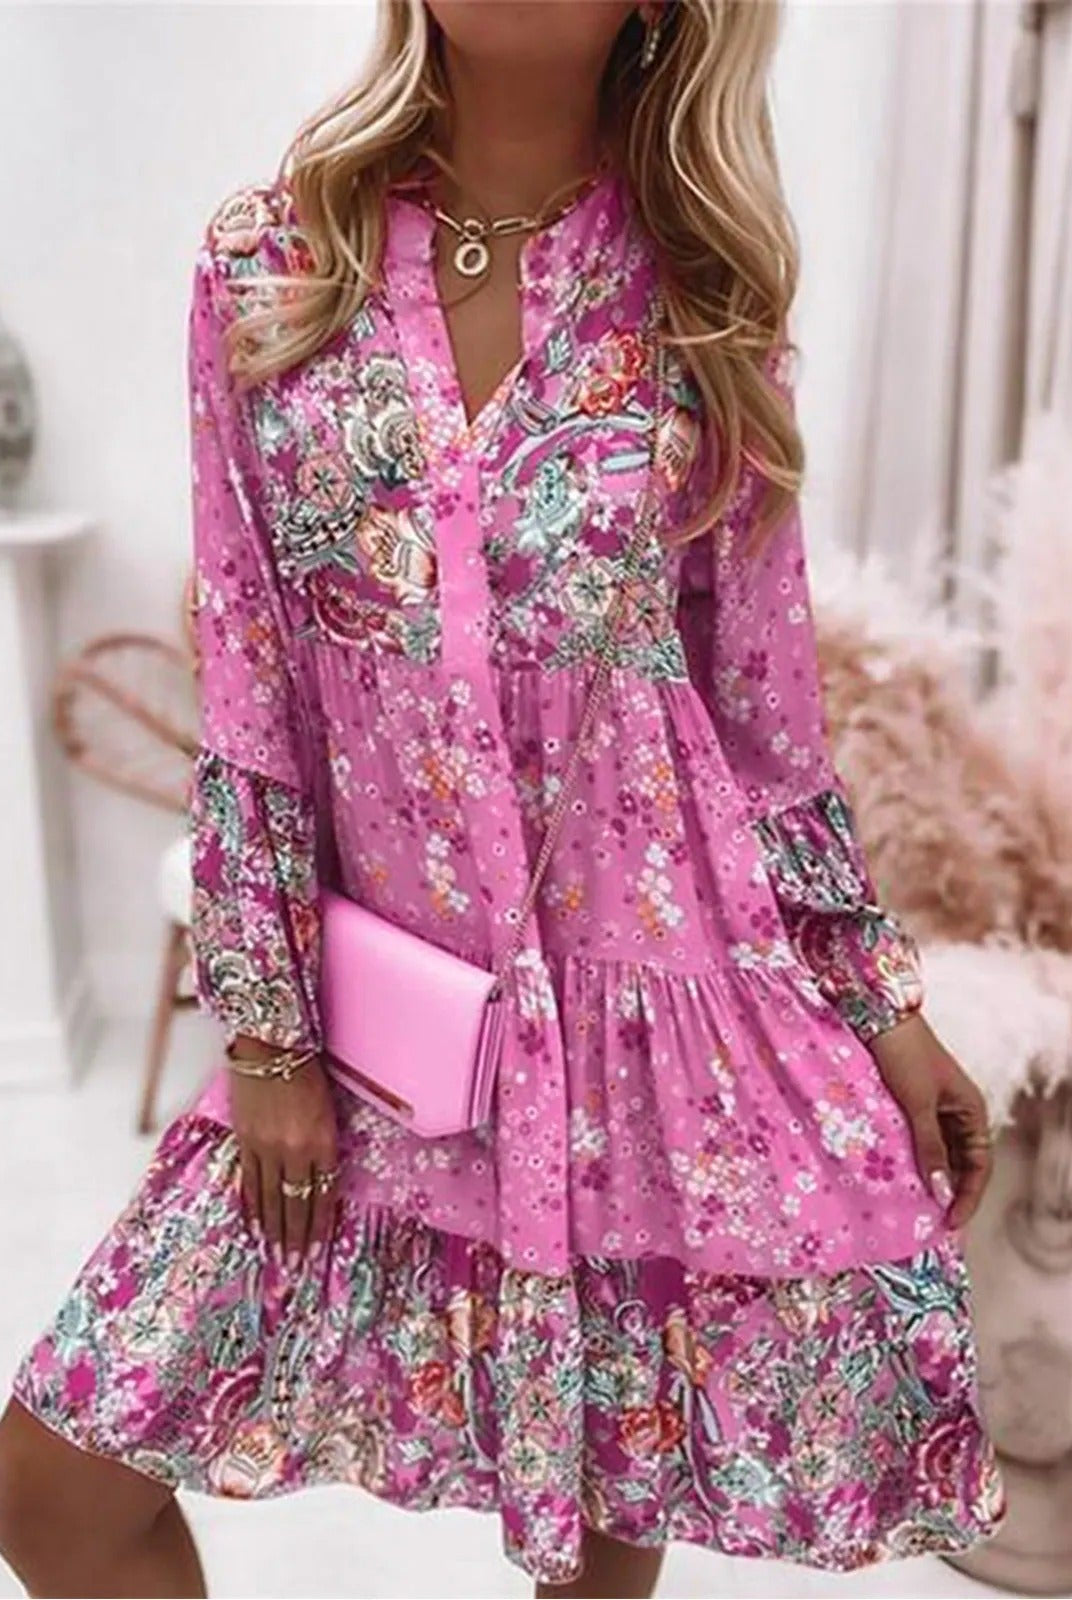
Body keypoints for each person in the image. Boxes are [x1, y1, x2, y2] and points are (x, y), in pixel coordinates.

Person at [0, 3, 1006, 1596]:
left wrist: (880, 1004)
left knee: (604, 1510)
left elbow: (765, 725)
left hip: (642, 1027)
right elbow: (251, 687)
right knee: (51, 1488)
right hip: (376, 1036)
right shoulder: (273, 261)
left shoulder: (701, 295)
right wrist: (265, 1042)